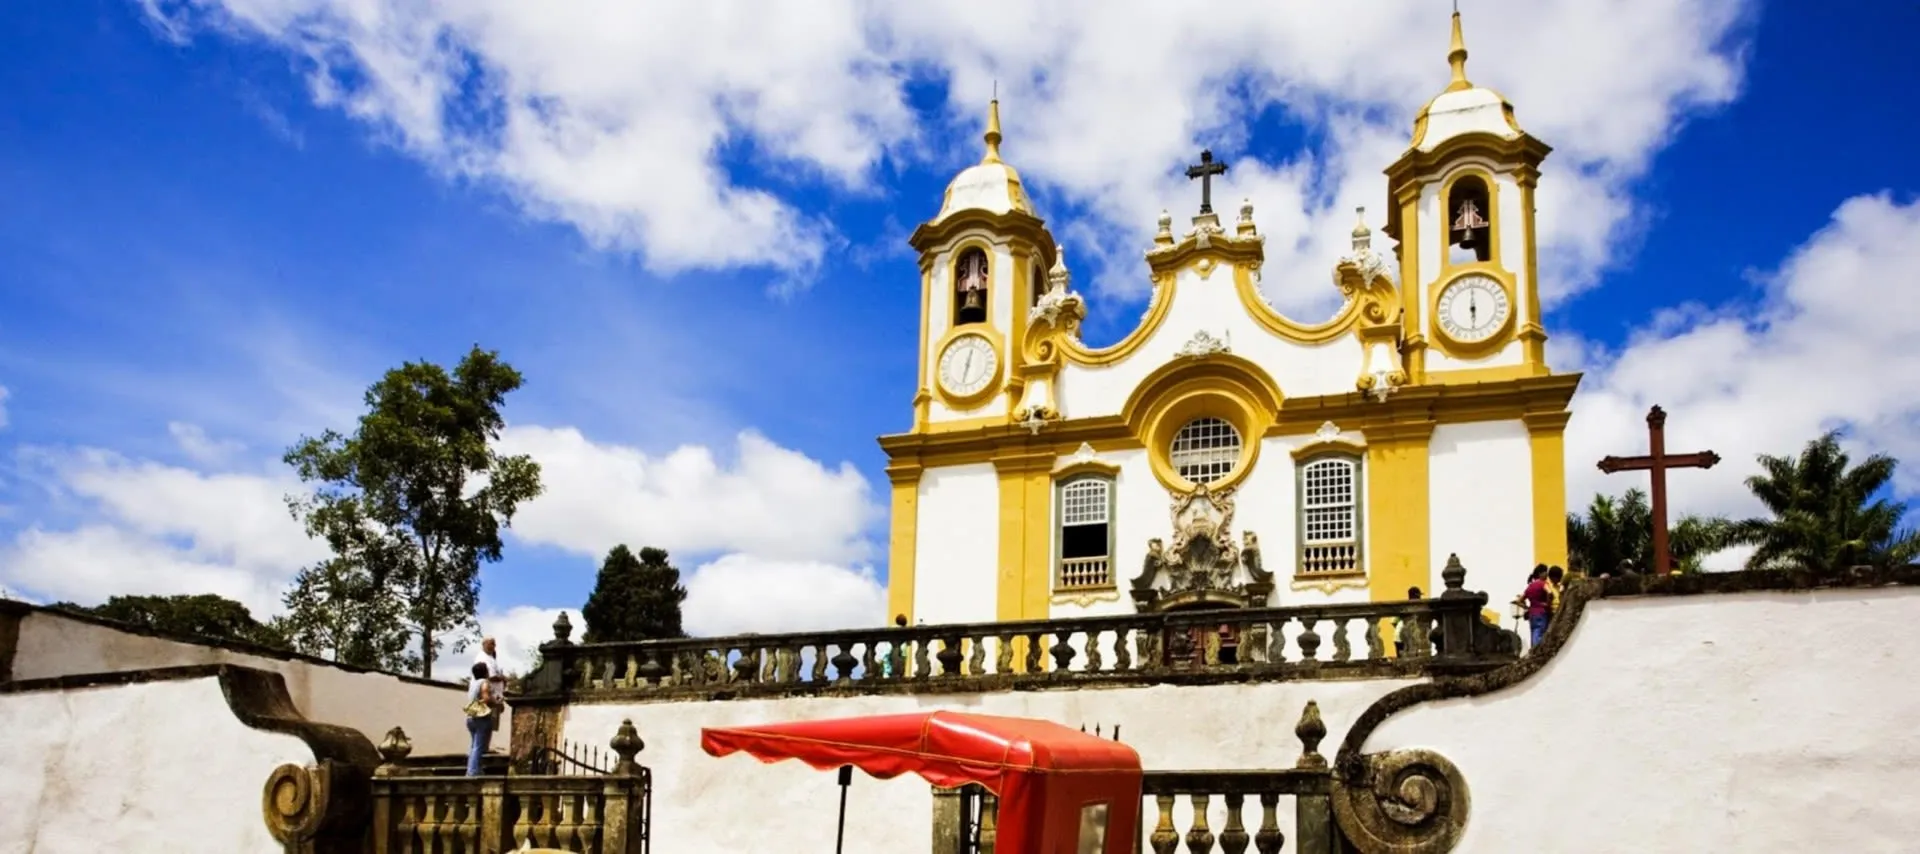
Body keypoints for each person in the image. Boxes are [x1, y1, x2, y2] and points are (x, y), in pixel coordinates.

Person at [464, 661, 496, 776]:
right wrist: (496, 701)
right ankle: (473, 771)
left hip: (470, 717)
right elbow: (486, 698)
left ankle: (472, 769)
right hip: (481, 718)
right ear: (485, 672)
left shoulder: (472, 684)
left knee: (474, 745)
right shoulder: (484, 682)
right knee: (479, 746)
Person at [1521, 566, 1553, 650]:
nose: (1547, 574)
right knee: (1541, 633)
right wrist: (1547, 604)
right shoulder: (1543, 583)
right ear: (1540, 573)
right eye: (1545, 572)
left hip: (1532, 614)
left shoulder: (1530, 586)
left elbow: (1520, 600)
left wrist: (1527, 607)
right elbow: (1549, 593)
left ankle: (1533, 651)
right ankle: (1538, 651)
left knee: (1534, 632)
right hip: (1542, 612)